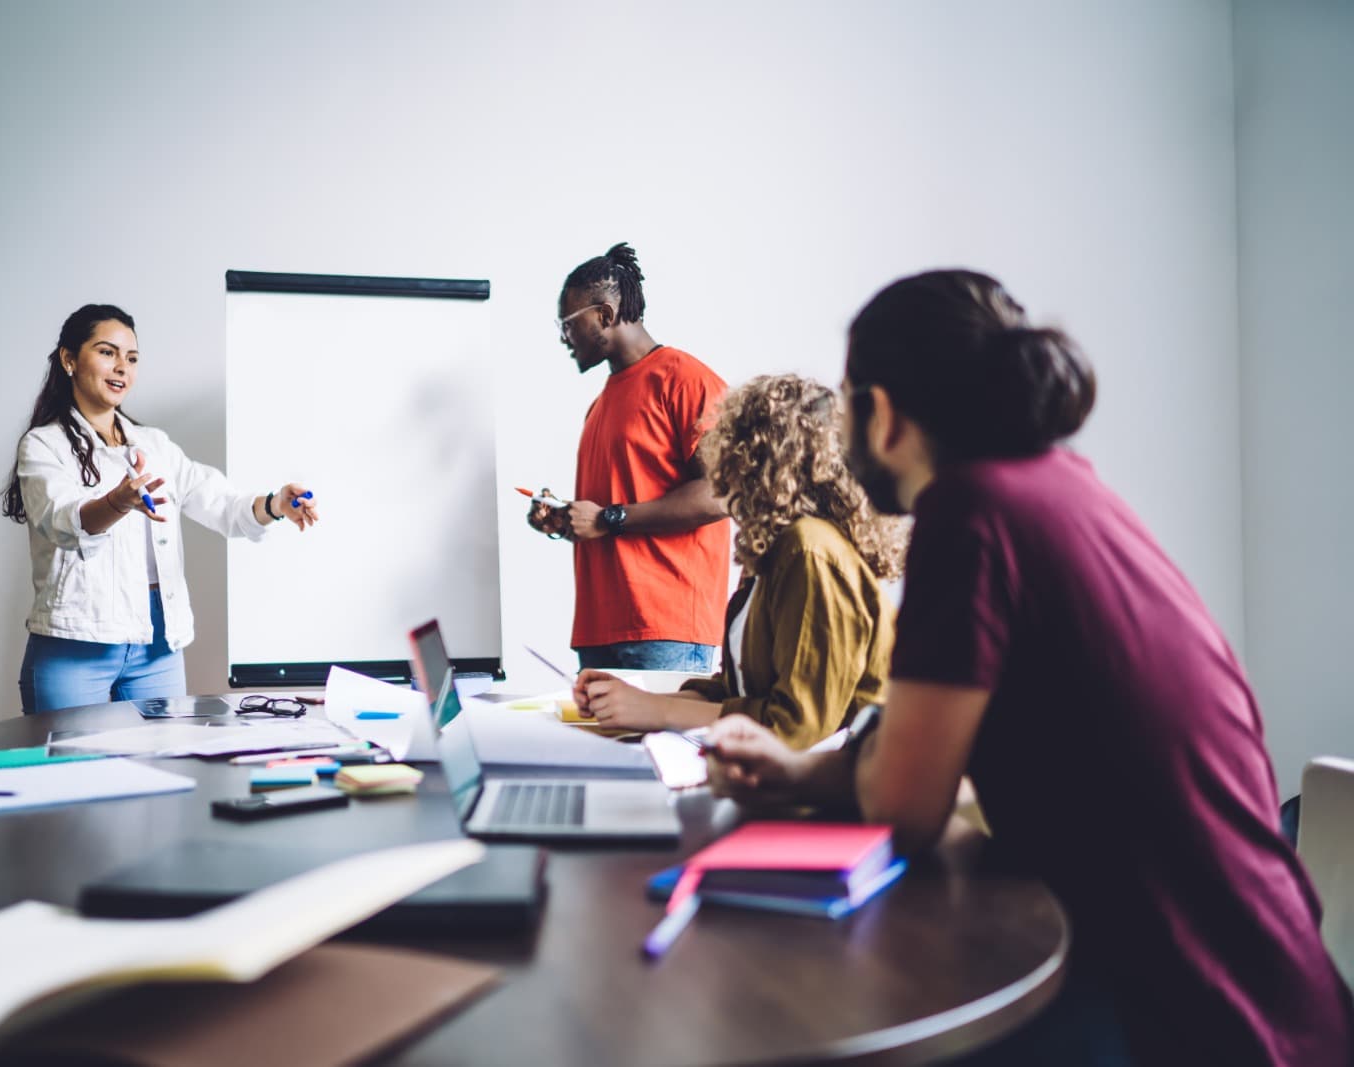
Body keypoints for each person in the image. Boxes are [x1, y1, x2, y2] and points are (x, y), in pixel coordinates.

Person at [703, 269, 1353, 1066]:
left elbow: (903, 806)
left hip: (1198, 1018)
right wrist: (797, 773)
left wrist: (821, 774)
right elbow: (918, 761)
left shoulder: (970, 514)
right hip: (1268, 990)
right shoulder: (1061, 489)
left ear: (886, 412)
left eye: (846, 401)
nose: (838, 429)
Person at [0, 304, 319, 714]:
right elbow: (63, 521)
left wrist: (275, 505)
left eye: (131, 359)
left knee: (161, 767)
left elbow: (220, 503)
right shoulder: (44, 445)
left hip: (157, 644)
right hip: (74, 646)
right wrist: (118, 501)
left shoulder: (154, 445)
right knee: (75, 774)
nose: (121, 368)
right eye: (107, 352)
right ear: (69, 360)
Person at [571, 374, 904, 747]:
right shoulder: (774, 551)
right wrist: (636, 702)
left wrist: (657, 711)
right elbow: (734, 693)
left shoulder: (809, 550)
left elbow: (797, 726)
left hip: (832, 784)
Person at [527, 242, 730, 671]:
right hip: (601, 629)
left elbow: (722, 494)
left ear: (605, 315)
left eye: (568, 324)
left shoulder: (686, 379)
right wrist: (568, 519)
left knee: (662, 744)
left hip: (664, 631)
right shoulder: (601, 403)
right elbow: (619, 505)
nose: (564, 337)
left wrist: (606, 519)